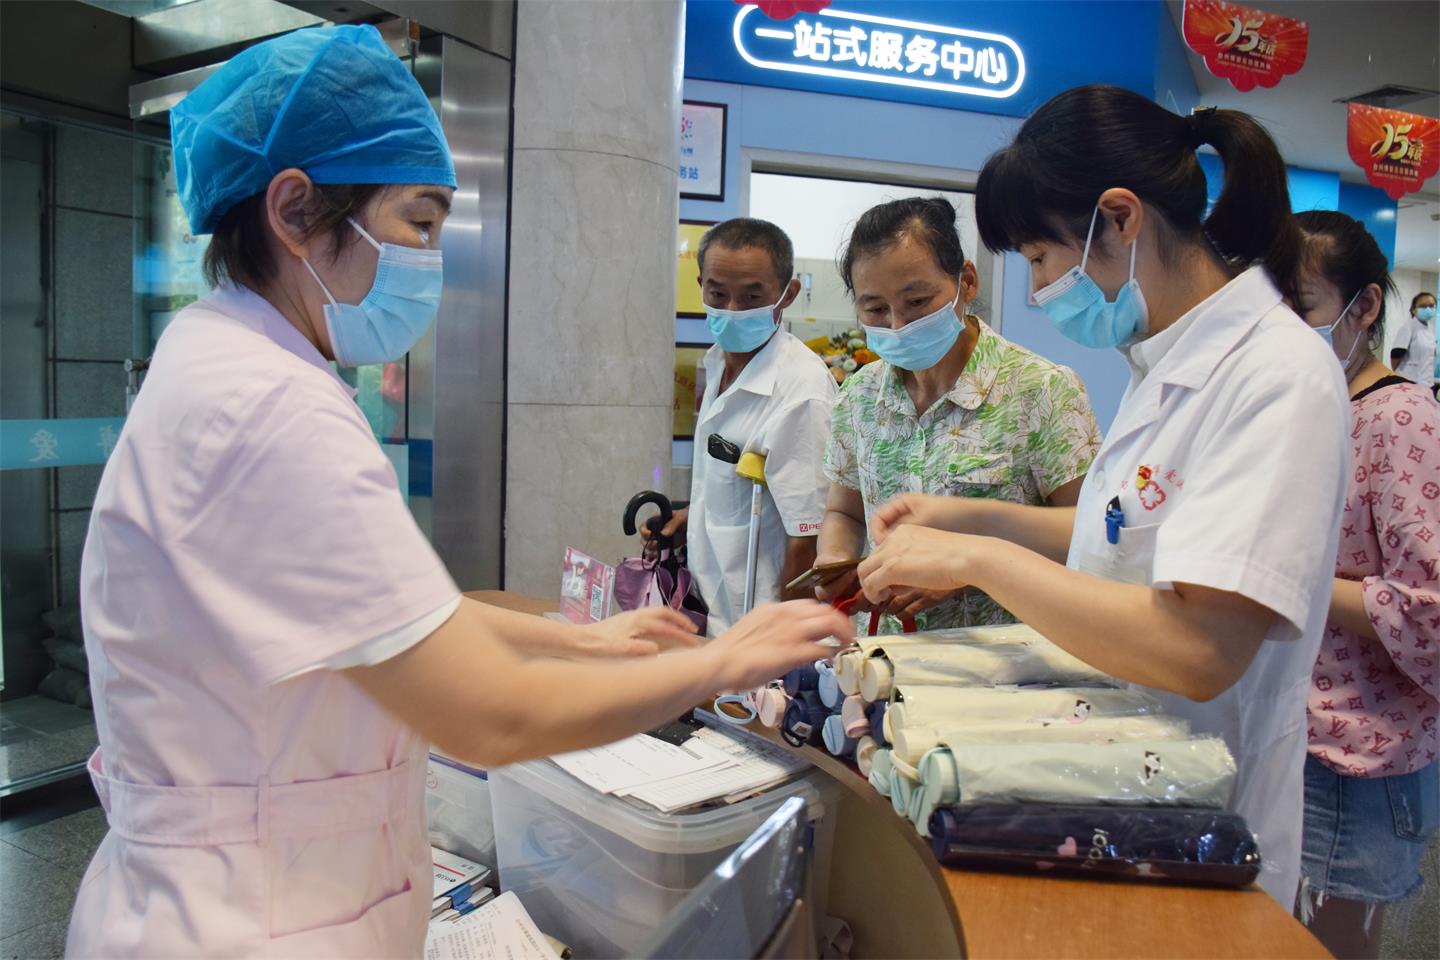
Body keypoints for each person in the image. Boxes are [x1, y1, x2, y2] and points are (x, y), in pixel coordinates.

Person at [66, 27, 849, 958]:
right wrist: (724, 662)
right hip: (251, 917)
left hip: (242, 887)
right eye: (420, 224)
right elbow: (487, 712)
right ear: (294, 208)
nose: (432, 260)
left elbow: (405, 617)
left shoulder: (225, 360)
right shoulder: (268, 408)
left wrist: (580, 641)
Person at [853, 86, 1351, 906]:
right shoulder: (1164, 365)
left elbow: (1197, 650)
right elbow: (1116, 533)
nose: (1045, 288)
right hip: (1119, 780)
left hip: (1202, 815)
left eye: (1043, 260)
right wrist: (964, 516)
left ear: (1119, 219)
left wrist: (980, 557)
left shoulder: (1277, 376)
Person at [813, 197, 1099, 629]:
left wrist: (966, 571)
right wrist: (834, 561)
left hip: (1004, 668)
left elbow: (1088, 535)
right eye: (875, 309)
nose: (897, 325)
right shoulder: (859, 396)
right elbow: (845, 512)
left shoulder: (1042, 390)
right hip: (884, 663)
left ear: (966, 282)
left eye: (918, 301)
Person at [1290, 211, 1439, 958]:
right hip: (1287, 735)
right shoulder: (1310, 409)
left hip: (1358, 758)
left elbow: (1430, 613)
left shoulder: (1401, 420)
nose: (1288, 334)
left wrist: (1289, 582)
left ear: (1366, 306)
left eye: (1305, 309)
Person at [646, 219, 836, 635]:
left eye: (752, 296)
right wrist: (693, 518)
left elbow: (808, 537)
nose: (732, 310)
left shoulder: (802, 391)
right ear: (700, 284)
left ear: (788, 294)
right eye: (717, 293)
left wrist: (782, 647)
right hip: (713, 614)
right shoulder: (717, 363)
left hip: (760, 627)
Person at [1390, 291, 1437, 398]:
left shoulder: (1431, 329)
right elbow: (1396, 354)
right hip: (1408, 384)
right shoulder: (1409, 327)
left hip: (1427, 384)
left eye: (1431, 306)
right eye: (1423, 306)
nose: (1428, 309)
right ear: (1414, 309)